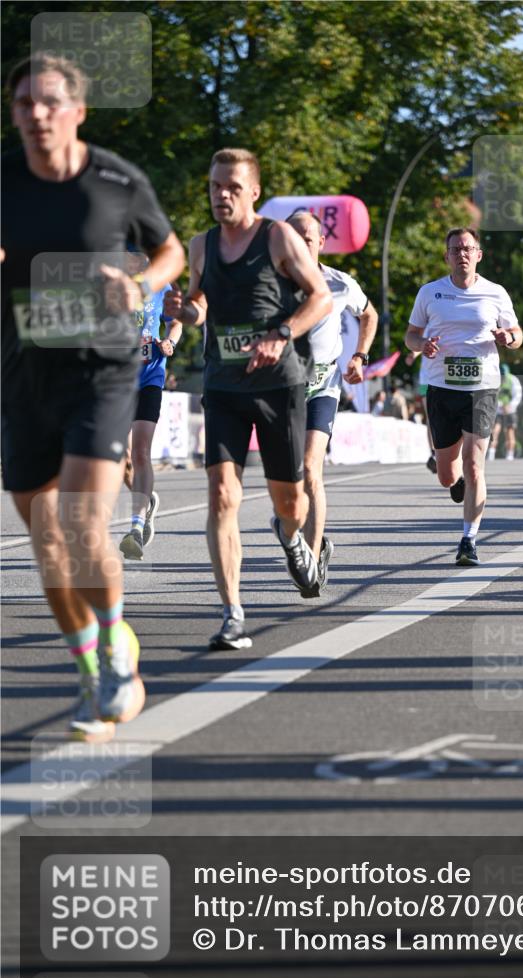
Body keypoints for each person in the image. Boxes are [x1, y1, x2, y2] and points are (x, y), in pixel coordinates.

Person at [1, 53, 185, 739]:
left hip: (103, 370)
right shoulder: (4, 179)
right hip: (24, 373)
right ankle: (89, 669)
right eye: (24, 103)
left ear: (77, 110)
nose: (37, 115)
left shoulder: (116, 180)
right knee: (46, 542)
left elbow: (169, 253)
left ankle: (115, 652)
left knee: (80, 521)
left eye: (50, 102)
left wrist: (139, 286)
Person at [164, 148, 332, 650]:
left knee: (290, 503)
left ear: (254, 191)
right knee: (221, 496)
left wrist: (282, 331)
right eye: (215, 186)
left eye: (233, 187)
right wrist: (184, 309)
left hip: (279, 385)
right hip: (224, 385)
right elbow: (198, 308)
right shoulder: (201, 245)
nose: (222, 195)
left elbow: (320, 296)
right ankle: (233, 612)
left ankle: (293, 539)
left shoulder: (277, 237)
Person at [404, 227, 523, 565]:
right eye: (455, 249)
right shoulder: (430, 293)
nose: (462, 254)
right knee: (447, 474)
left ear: (478, 254)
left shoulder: (496, 293)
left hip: (482, 387)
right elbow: (410, 335)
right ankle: (454, 482)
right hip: (442, 387)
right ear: (447, 256)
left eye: (468, 248)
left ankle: (469, 540)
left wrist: (508, 338)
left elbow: (518, 334)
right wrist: (422, 344)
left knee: (474, 464)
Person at [287, 210, 378, 596]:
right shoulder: (269, 281)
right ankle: (314, 540)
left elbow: (369, 314)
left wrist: (359, 356)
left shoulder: (340, 283)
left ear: (321, 243)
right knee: (287, 481)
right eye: (294, 236)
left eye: (309, 238)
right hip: (283, 388)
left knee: (311, 469)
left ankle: (308, 557)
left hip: (323, 385)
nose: (302, 243)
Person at [120, 260, 183, 560]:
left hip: (149, 377)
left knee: (140, 452)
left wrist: (170, 342)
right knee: (119, 459)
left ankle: (136, 526)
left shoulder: (160, 285)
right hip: (116, 380)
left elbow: (177, 320)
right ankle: (147, 501)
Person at [406, 348, 437, 472]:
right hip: (427, 380)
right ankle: (434, 453)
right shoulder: (426, 328)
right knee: (431, 416)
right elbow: (421, 343)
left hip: (447, 378)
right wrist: (413, 353)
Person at [488, 362, 522, 460]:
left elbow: (518, 395)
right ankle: (491, 454)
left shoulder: (513, 379)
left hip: (510, 411)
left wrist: (510, 406)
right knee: (494, 431)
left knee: (509, 432)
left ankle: (510, 454)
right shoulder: (494, 379)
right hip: (497, 410)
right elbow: (491, 395)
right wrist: (500, 405)